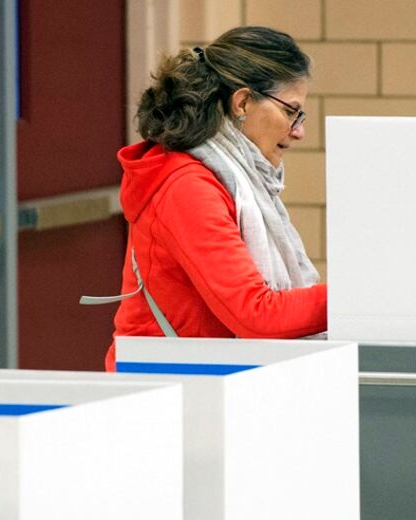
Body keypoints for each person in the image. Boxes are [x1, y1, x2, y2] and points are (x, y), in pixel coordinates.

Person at [98, 26, 326, 371]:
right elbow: (256, 315)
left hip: (200, 376)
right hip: (166, 385)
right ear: (243, 102)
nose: (298, 131)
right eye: (291, 111)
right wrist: (356, 296)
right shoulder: (187, 186)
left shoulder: (232, 176)